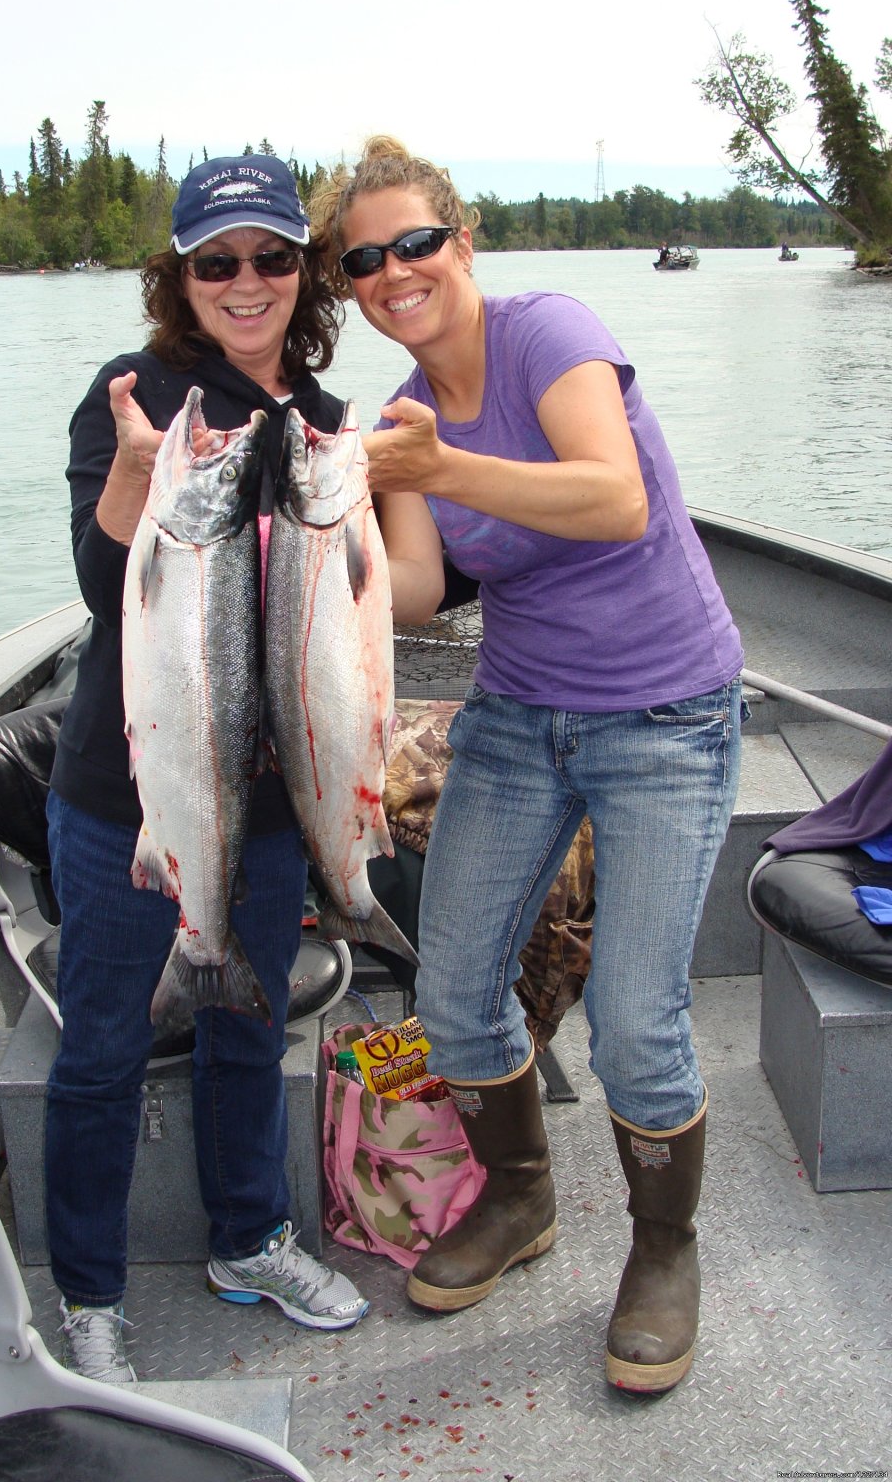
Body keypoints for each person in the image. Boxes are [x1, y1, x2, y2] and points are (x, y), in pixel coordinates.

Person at [309, 136, 745, 1395]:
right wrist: (307, 532)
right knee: (450, 986)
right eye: (363, 261)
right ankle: (518, 1197)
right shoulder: (399, 423)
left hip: (665, 716)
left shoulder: (552, 332)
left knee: (635, 1021)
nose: (394, 273)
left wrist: (439, 467)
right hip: (519, 714)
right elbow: (422, 593)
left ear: (462, 240)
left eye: (415, 244)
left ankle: (663, 1249)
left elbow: (614, 499)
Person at [45, 153, 368, 1385]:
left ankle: (251, 1237)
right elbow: (98, 585)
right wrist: (137, 466)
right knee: (103, 1049)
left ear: (304, 268)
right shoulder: (135, 396)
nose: (246, 282)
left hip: (272, 794)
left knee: (246, 1023)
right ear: (179, 276)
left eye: (271, 257)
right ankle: (89, 1293)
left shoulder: (326, 419)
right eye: (216, 261)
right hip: (134, 790)